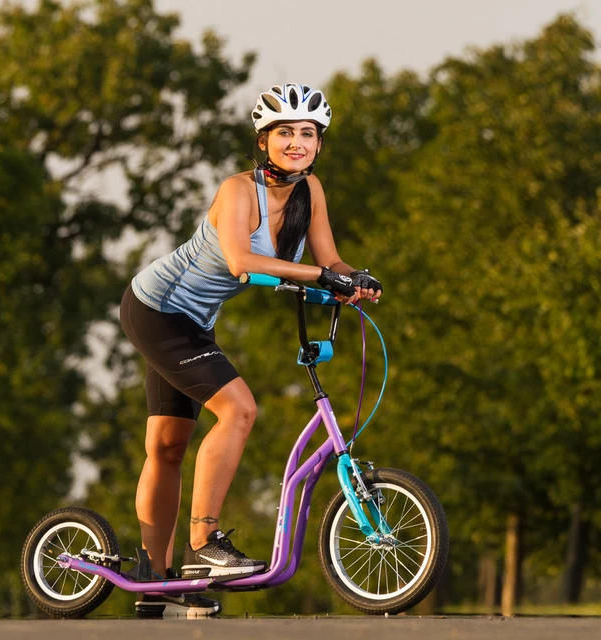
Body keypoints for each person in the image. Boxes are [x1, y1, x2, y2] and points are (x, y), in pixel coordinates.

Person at [119, 83, 383, 617]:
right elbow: (241, 260)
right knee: (239, 409)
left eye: (307, 133)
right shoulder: (238, 191)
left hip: (195, 322)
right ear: (264, 141)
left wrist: (356, 280)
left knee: (169, 446)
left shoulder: (312, 192)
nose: (297, 142)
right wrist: (317, 275)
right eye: (285, 132)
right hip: (157, 309)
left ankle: (155, 586)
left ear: (318, 144)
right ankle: (205, 545)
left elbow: (329, 259)